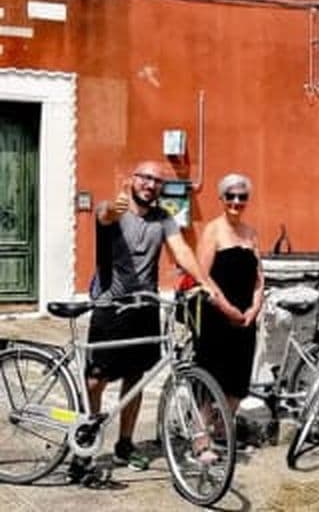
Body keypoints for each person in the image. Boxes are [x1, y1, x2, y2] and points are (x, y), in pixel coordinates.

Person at [75, 161, 216, 480]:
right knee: (96, 379)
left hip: (146, 306)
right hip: (110, 304)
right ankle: (88, 437)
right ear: (132, 179)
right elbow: (105, 214)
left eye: (157, 181)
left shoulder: (163, 218)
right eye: (145, 178)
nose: (150, 184)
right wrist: (114, 207)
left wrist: (204, 281)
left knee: (135, 378)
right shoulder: (114, 209)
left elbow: (181, 250)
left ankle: (125, 442)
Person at [194, 174, 263, 418]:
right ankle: (201, 436)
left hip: (246, 316)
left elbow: (258, 278)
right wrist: (228, 309)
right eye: (230, 196)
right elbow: (204, 275)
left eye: (242, 197)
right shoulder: (212, 230)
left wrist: (254, 307)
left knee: (238, 376)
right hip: (217, 315)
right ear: (221, 199)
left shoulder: (251, 234)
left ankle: (224, 429)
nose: (236, 201)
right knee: (211, 375)